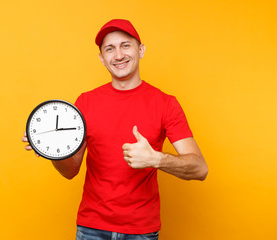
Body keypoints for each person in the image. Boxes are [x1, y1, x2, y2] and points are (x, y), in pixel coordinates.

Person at [22, 19, 208, 240]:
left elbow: (200, 169)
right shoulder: (85, 102)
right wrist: (54, 150)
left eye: (125, 45)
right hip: (91, 228)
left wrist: (155, 159)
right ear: (102, 58)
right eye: (109, 49)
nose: (118, 55)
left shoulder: (166, 104)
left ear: (141, 50)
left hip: (141, 231)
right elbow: (70, 171)